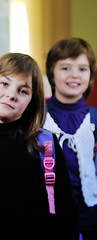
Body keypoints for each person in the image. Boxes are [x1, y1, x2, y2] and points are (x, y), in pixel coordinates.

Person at [0, 53, 78, 240]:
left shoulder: (46, 145)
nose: (11, 95)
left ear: (31, 102)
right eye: (5, 83)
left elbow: (67, 211)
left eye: (23, 91)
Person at [43, 38, 97, 239]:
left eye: (82, 69)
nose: (74, 75)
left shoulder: (95, 117)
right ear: (52, 72)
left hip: (89, 212)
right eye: (66, 68)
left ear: (91, 75)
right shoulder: (38, 115)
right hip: (50, 211)